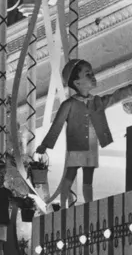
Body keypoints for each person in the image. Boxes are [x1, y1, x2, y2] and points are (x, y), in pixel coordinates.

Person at [36, 58, 112, 205]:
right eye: (88, 74)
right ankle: (64, 205)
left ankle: (89, 204)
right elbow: (56, 126)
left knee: (88, 178)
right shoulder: (69, 104)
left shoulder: (96, 101)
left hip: (91, 148)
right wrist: (45, 145)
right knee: (69, 176)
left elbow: (114, 97)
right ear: (77, 83)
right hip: (76, 147)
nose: (93, 76)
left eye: (92, 73)